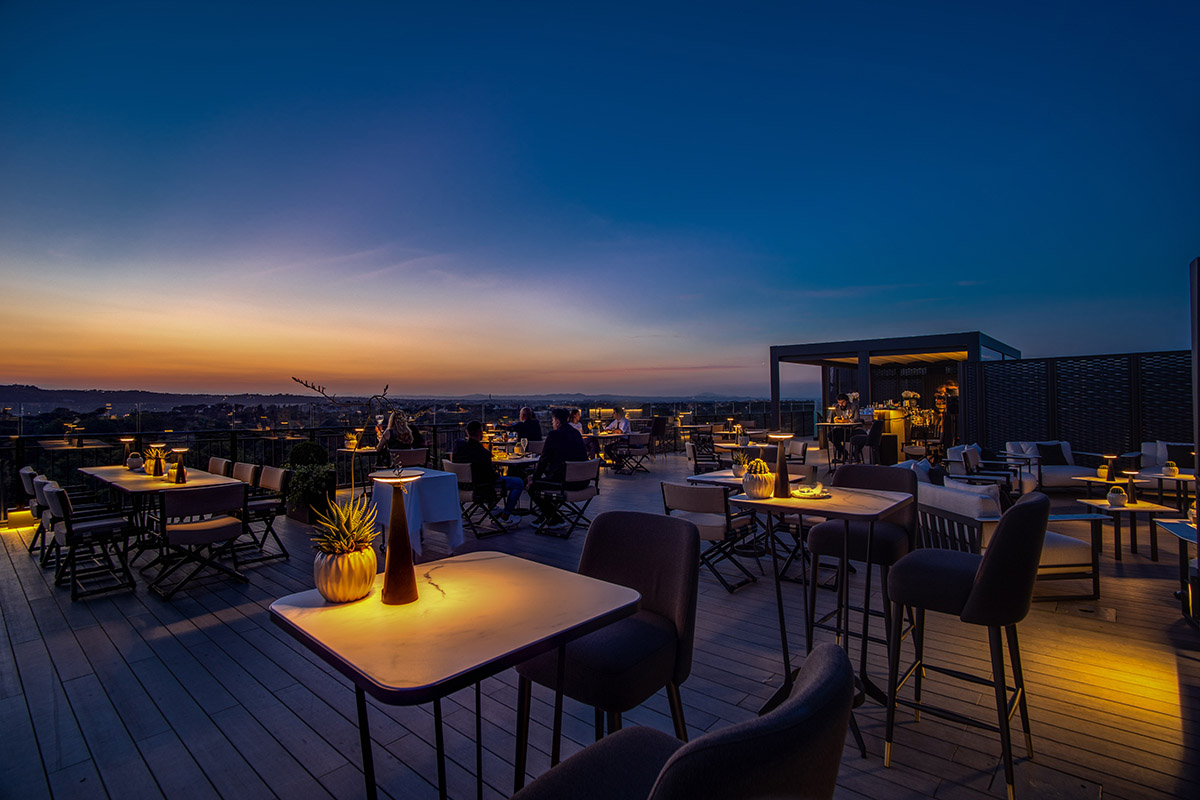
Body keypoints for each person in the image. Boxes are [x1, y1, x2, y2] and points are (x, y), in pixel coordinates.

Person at [528, 407, 588, 529]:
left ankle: (554, 518)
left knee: (532, 487)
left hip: (565, 483)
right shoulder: (576, 433)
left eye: (553, 420)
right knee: (548, 481)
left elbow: (544, 459)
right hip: (583, 481)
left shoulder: (554, 435)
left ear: (557, 421)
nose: (552, 423)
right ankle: (547, 516)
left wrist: (534, 478)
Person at [453, 420, 524, 521]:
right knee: (518, 482)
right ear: (480, 433)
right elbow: (490, 477)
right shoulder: (483, 453)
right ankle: (505, 516)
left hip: (461, 487)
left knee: (490, 479)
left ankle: (493, 508)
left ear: (467, 432)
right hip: (480, 488)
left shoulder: (458, 448)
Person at [826, 393, 860, 462]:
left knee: (862, 434)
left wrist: (847, 421)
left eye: (842, 403)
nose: (841, 404)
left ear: (847, 401)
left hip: (851, 429)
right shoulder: (835, 407)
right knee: (831, 435)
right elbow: (829, 419)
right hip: (840, 429)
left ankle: (855, 453)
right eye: (839, 403)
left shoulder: (854, 406)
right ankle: (843, 452)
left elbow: (857, 419)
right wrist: (834, 419)